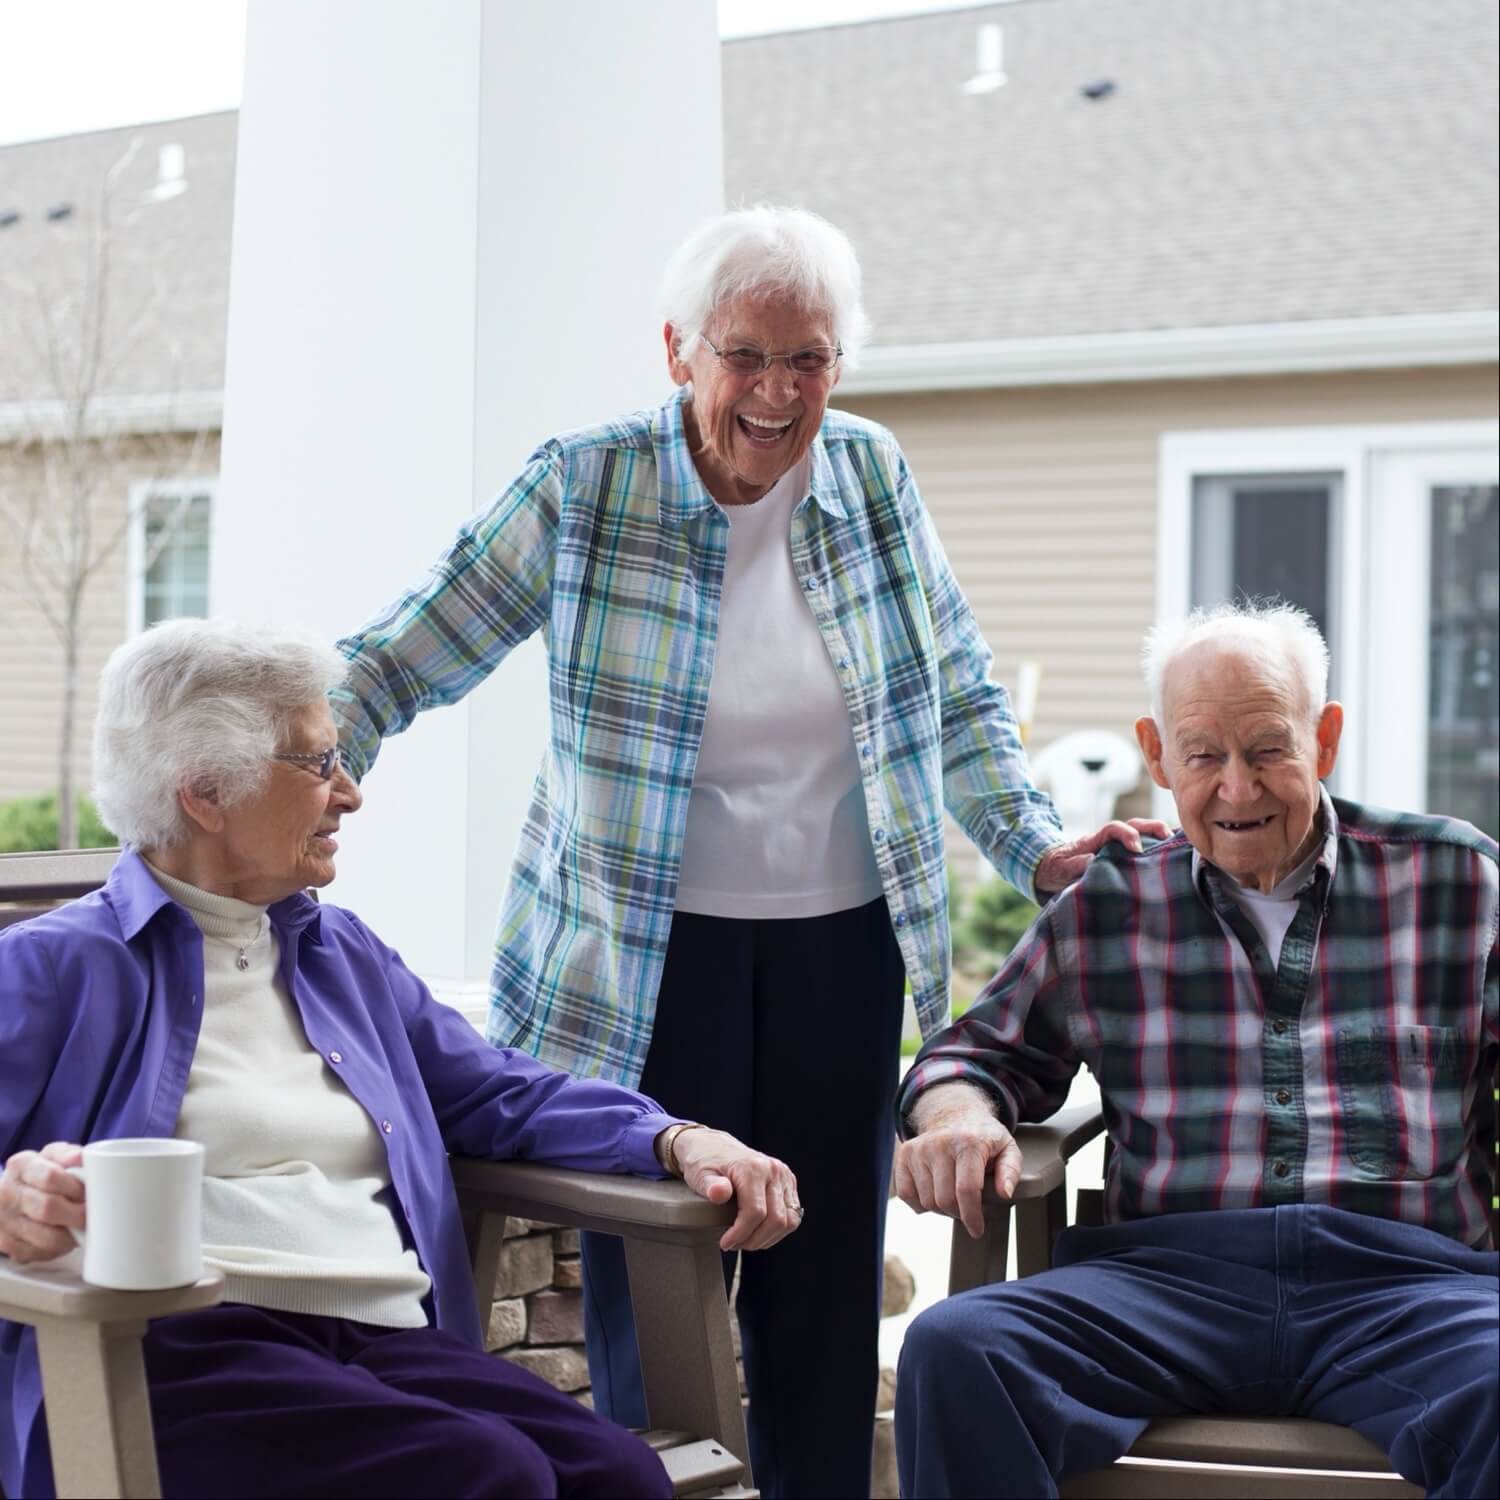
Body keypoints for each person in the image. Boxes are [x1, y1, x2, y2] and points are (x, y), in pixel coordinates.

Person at [331, 204, 1165, 1497]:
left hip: (846, 946)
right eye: (746, 356)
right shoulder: (585, 485)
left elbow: (955, 694)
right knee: (660, 1297)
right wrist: (301, 765)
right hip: (643, 961)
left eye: (811, 360)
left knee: (823, 1307)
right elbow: (403, 653)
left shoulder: (874, 478)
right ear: (679, 352)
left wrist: (1036, 847)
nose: (778, 393)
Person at [0, 618, 800, 1500]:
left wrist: (672, 1139)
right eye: (316, 764)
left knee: (614, 1474)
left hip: (385, 1342)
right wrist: (16, 1205)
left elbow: (501, 1092)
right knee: (487, 1476)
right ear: (205, 793)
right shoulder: (51, 968)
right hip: (176, 1353)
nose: (348, 793)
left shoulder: (340, 955)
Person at [892, 600, 1499, 1500]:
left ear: (1324, 740)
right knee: (956, 1349)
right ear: (1158, 754)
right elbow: (967, 1057)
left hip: (1408, 1290)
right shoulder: (1109, 906)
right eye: (1204, 755)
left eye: (1267, 750)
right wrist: (955, 1121)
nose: (1238, 789)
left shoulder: (1454, 878)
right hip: (1166, 1290)